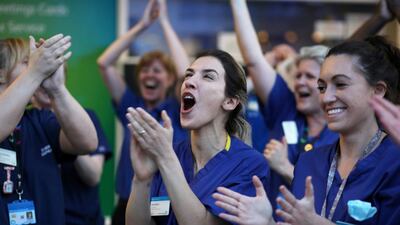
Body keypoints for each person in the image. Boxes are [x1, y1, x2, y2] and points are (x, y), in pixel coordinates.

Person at [214, 36, 400, 225]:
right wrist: (267, 222)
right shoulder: (309, 162)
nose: (326, 98)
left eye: (341, 84)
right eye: (322, 87)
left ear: (377, 90)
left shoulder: (394, 161)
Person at [125, 49, 269, 225]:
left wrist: (166, 160)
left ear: (230, 102)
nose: (189, 82)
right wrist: (142, 179)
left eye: (208, 77)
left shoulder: (248, 163)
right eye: (188, 75)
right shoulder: (173, 153)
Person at [230, 0, 337, 213]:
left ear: (327, 84)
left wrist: (286, 168)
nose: (299, 82)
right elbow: (253, 61)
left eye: (309, 76)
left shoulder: (341, 130)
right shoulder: (286, 108)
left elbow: (334, 197)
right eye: (297, 76)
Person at [96, 0, 189, 223]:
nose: (149, 75)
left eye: (157, 71)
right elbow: (104, 63)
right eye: (144, 70)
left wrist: (164, 22)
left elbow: (187, 74)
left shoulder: (179, 109)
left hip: (169, 207)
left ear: (169, 79)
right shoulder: (131, 104)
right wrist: (143, 25)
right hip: (127, 204)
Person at [0, 35, 98, 225]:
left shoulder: (39, 118)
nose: (38, 66)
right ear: (2, 74)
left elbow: (87, 143)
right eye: (27, 62)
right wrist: (34, 73)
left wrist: (57, 89)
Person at [32, 75, 112, 225]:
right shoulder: (26, 122)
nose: (46, 83)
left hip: (83, 220)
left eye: (52, 75)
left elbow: (93, 176)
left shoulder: (87, 118)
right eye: (41, 76)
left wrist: (69, 132)